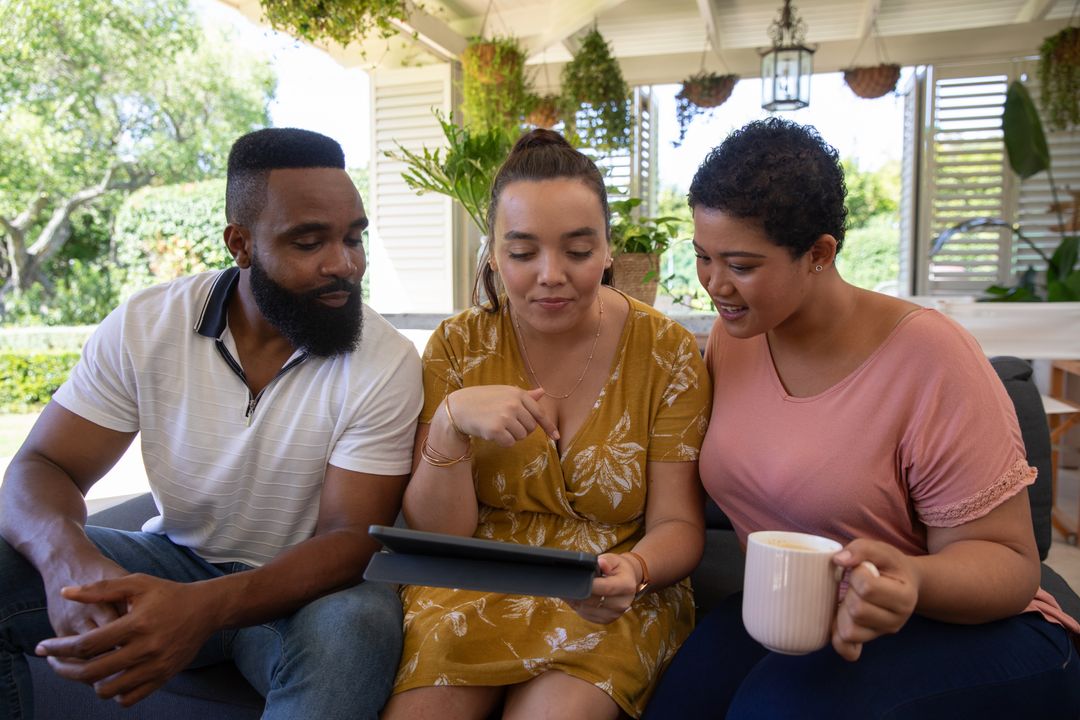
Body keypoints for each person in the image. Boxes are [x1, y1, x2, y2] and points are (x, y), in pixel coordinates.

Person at [643, 118, 1080, 718]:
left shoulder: (932, 358)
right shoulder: (733, 337)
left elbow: (1010, 566)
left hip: (972, 629)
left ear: (820, 253)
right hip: (811, 609)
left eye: (741, 265)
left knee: (770, 710)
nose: (715, 284)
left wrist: (915, 579)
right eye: (701, 256)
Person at [0, 127, 423, 719]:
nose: (345, 264)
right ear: (241, 244)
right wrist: (66, 559)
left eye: (354, 238)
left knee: (357, 624)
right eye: (309, 242)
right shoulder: (148, 325)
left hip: (303, 592)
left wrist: (201, 607)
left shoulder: (385, 359)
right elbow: (44, 466)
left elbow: (350, 539)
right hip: (172, 558)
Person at [380, 129, 712, 720]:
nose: (551, 274)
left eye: (578, 252)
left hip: (608, 592)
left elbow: (679, 523)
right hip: (472, 585)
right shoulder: (459, 345)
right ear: (493, 254)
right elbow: (441, 536)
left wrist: (635, 572)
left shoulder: (667, 351)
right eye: (523, 252)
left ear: (609, 250)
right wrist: (450, 426)